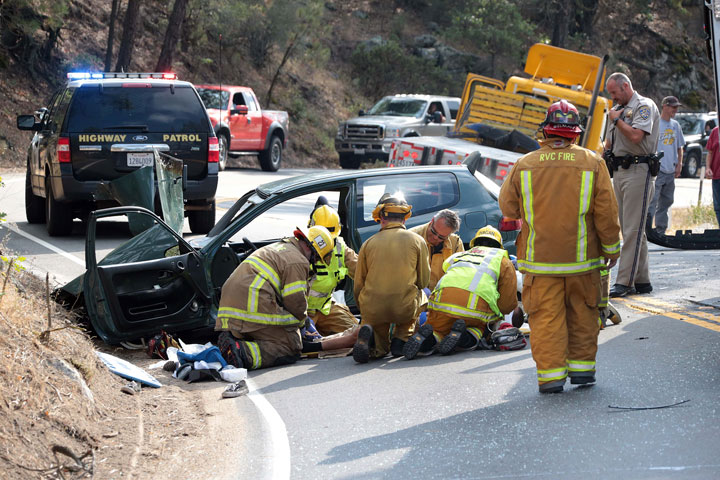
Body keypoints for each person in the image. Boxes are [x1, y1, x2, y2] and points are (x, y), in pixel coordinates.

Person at [498, 99, 621, 393]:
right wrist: (612, 249)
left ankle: (551, 378)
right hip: (583, 263)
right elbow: (606, 213)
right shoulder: (593, 163)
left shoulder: (524, 164)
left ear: (546, 131)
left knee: (546, 320)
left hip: (541, 266)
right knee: (583, 314)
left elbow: (508, 208)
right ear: (575, 133)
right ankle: (582, 372)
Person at [215, 226, 334, 370]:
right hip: (251, 307)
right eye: (317, 260)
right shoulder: (298, 261)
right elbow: (295, 303)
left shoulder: (282, 247)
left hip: (233, 307)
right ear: (313, 252)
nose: (315, 263)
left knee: (279, 329)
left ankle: (238, 339)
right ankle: (242, 352)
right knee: (291, 345)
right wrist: (304, 325)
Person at [402, 226, 518, 360]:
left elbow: (446, 270)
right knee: (480, 327)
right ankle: (465, 337)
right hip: (474, 309)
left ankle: (429, 340)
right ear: (499, 245)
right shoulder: (502, 260)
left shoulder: (460, 255)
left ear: (475, 242)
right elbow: (507, 303)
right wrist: (499, 315)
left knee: (438, 330)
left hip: (441, 303)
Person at [352, 193, 430, 363]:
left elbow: (358, 284)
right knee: (423, 294)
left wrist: (364, 310)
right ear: (405, 218)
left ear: (380, 217)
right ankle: (401, 339)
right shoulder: (418, 241)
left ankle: (375, 344)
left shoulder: (368, 244)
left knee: (375, 322)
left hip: (373, 308)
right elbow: (423, 281)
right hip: (403, 307)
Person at [604, 72, 661, 298]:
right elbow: (609, 143)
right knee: (632, 228)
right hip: (619, 171)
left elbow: (637, 136)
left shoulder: (643, 106)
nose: (613, 97)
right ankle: (642, 280)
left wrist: (616, 120)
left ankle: (624, 282)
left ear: (625, 86)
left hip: (639, 170)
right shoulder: (616, 110)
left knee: (632, 230)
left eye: (614, 92)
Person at [306, 201, 359, 336]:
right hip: (302, 312)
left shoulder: (341, 247)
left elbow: (361, 270)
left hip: (326, 308)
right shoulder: (302, 249)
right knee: (294, 345)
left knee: (357, 334)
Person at [648, 96, 685, 234]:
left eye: (676, 107)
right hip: (657, 170)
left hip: (671, 169)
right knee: (652, 200)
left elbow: (680, 146)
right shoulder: (655, 124)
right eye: (673, 107)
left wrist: (679, 163)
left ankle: (660, 230)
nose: (675, 110)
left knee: (667, 200)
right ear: (665, 106)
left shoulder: (675, 125)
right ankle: (647, 228)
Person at [410, 209, 463, 290]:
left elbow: (459, 273)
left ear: (449, 235)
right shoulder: (412, 237)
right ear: (432, 221)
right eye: (434, 231)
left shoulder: (455, 243)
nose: (435, 237)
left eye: (441, 237)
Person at [706, 126, 720, 227]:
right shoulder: (715, 131)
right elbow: (710, 152)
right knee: (718, 207)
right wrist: (708, 168)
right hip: (717, 176)